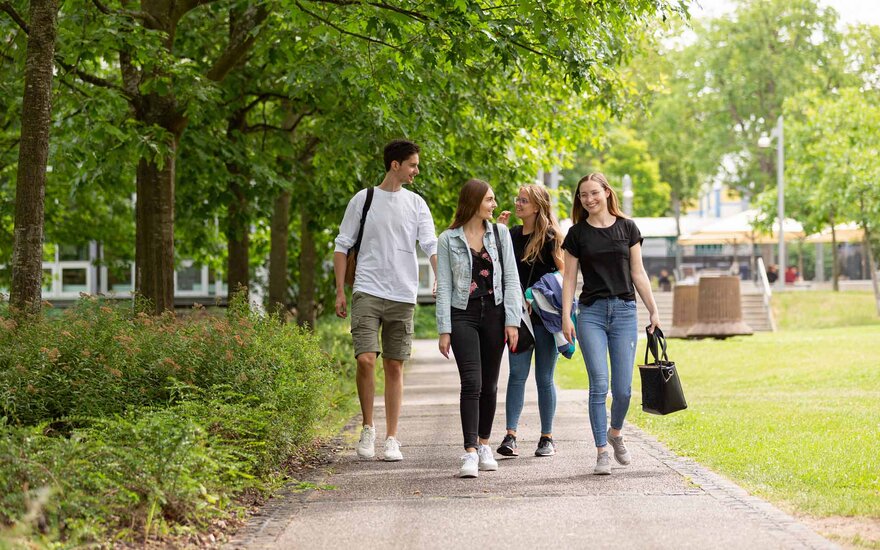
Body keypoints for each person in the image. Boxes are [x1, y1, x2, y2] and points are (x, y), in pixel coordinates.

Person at [333, 139, 438, 462]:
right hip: (366, 289)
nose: (416, 171)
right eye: (412, 165)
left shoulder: (417, 204)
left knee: (394, 365)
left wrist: (440, 280)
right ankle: (368, 428)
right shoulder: (363, 200)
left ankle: (392, 437)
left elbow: (431, 244)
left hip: (402, 294)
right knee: (365, 359)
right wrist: (340, 290)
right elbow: (342, 244)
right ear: (395, 165)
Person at [560, 172, 660, 475]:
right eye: (583, 195)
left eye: (594, 193)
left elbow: (638, 273)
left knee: (624, 389)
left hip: (624, 312)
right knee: (599, 386)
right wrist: (566, 315)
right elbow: (569, 278)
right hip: (590, 313)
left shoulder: (628, 228)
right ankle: (602, 451)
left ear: (606, 192)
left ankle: (615, 432)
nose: (588, 199)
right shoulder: (577, 234)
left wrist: (653, 310)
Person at [436, 179, 521, 478]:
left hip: (495, 313)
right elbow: (444, 285)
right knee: (471, 382)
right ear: (473, 202)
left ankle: (485, 444)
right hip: (463, 315)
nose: (494, 205)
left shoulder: (499, 234)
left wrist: (512, 320)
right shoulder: (448, 239)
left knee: (490, 384)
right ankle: (470, 451)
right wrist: (443, 329)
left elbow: (511, 277)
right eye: (489, 200)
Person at [495, 184, 565, 457]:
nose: (518, 204)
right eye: (518, 199)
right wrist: (498, 233)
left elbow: (564, 275)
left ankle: (547, 437)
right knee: (516, 375)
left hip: (545, 318)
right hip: (518, 319)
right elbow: (499, 269)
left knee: (544, 378)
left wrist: (537, 297)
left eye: (524, 200)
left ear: (537, 206)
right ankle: (511, 434)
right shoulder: (511, 235)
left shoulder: (550, 236)